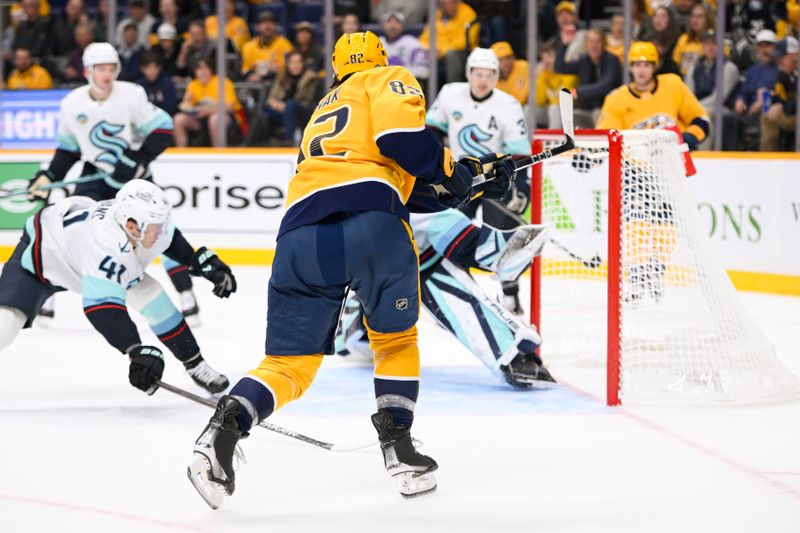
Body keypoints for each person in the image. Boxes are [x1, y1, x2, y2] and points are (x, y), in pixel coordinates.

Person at [187, 31, 516, 508]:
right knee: (396, 342)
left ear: (337, 68)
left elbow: (390, 175)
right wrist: (451, 170)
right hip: (373, 230)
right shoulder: (387, 78)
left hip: (300, 235)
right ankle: (400, 451)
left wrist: (472, 181)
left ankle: (226, 426)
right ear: (380, 60)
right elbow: (401, 142)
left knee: (289, 366)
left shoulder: (324, 109)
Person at [1, 180, 235, 394]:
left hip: (83, 256)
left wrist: (198, 261)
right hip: (39, 261)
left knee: (156, 302)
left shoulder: (136, 223)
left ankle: (195, 365)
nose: (161, 231)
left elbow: (170, 238)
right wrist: (135, 350)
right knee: (6, 326)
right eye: (156, 226)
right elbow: (102, 309)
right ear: (132, 226)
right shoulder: (106, 246)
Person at [25, 42, 202, 322]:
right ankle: (48, 296)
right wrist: (49, 176)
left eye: (111, 69)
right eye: (100, 69)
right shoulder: (72, 103)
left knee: (159, 234)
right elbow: (69, 150)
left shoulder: (131, 96)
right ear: (87, 71)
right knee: (73, 234)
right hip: (95, 175)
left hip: (135, 179)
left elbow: (164, 129)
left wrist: (138, 158)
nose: (107, 75)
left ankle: (186, 294)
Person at [336, 208, 556, 389]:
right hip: (360, 316)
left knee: (420, 235)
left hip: (367, 318)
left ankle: (507, 352)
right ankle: (487, 250)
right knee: (428, 217)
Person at [426, 48, 532, 315]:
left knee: (503, 238)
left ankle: (511, 295)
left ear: (497, 76)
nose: (483, 80)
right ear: (468, 74)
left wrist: (521, 187)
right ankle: (461, 290)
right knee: (453, 234)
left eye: (489, 75)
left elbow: (518, 151)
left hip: (497, 179)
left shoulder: (508, 104)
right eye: (478, 74)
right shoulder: (450, 94)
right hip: (459, 178)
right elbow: (432, 133)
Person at [597, 41, 710, 150]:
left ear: (655, 67)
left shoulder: (672, 85)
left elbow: (700, 119)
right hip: (635, 165)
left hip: (674, 159)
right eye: (637, 65)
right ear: (631, 67)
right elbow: (606, 139)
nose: (641, 70)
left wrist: (691, 136)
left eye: (646, 65)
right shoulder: (616, 99)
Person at [555, 27, 622, 128]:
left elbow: (606, 86)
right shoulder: (583, 60)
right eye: (590, 41)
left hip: (607, 108)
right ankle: (573, 143)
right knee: (569, 115)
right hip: (587, 109)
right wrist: (564, 45)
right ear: (586, 45)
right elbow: (560, 68)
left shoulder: (611, 60)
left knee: (598, 115)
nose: (594, 46)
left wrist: (578, 91)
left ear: (604, 44)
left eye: (597, 41)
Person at [684, 30, 740, 149]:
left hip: (724, 109)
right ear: (702, 47)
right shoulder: (693, 69)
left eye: (714, 43)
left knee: (706, 115)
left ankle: (706, 156)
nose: (710, 47)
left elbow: (718, 98)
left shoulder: (729, 67)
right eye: (707, 44)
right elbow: (688, 95)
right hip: (700, 107)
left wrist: (697, 109)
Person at [173, 55, 244, 147]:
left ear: (211, 69)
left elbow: (229, 107)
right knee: (178, 119)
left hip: (228, 119)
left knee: (215, 118)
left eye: (205, 69)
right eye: (199, 69)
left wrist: (206, 111)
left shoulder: (223, 82)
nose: (202, 73)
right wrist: (186, 102)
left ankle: (218, 153)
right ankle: (181, 154)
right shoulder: (193, 84)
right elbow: (186, 108)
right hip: (201, 120)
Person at [258, 51, 322, 145]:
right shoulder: (282, 77)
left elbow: (311, 102)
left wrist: (287, 106)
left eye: (298, 62)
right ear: (288, 64)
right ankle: (254, 143)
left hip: (305, 112)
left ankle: (290, 141)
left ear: (303, 64)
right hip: (284, 111)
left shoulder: (311, 78)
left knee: (291, 105)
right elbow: (272, 98)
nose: (295, 65)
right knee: (263, 108)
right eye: (292, 62)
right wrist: (275, 103)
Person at [419, 0, 480, 84]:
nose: (447, 7)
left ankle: (453, 89)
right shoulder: (437, 14)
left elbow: (465, 41)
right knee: (418, 53)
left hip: (462, 53)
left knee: (451, 55)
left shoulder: (468, 13)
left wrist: (441, 51)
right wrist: (428, 48)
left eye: (450, 3)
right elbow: (424, 37)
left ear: (457, 2)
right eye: (443, 4)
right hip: (436, 52)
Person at [761, 37, 798, 151]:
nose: (779, 62)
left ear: (794, 56)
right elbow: (778, 95)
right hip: (792, 113)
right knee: (768, 115)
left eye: (782, 57)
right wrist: (775, 102)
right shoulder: (785, 74)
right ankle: (769, 160)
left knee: (769, 117)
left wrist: (782, 105)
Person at [240, 11, 293, 82]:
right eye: (263, 23)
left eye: (271, 23)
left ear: (276, 26)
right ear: (257, 27)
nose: (267, 26)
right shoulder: (248, 46)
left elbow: (288, 70)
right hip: (253, 83)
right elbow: (244, 70)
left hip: (275, 82)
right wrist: (251, 74)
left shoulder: (285, 44)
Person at [380, 11, 429, 86]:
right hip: (381, 84)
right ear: (383, 26)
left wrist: (399, 74)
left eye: (397, 22)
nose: (393, 26)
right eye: (389, 22)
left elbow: (423, 71)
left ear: (403, 26)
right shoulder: (377, 42)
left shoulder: (413, 43)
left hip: (406, 85)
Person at [672, 3, 713, 75]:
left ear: (708, 19)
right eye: (693, 16)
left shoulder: (715, 40)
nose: (695, 20)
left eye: (700, 16)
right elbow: (675, 63)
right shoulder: (684, 38)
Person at [137, 51, 178, 116]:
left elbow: (171, 105)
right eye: (148, 68)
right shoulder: (138, 86)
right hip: (145, 120)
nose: (151, 72)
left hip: (165, 119)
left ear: (159, 68)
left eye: (154, 68)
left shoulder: (167, 83)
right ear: (142, 69)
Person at [491, 41, 529, 106]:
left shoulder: (523, 67)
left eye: (508, 58)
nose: (505, 62)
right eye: (500, 60)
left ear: (513, 57)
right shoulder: (489, 75)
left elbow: (520, 99)